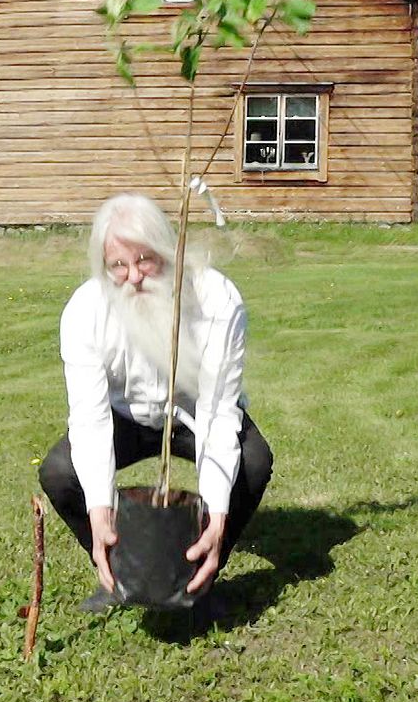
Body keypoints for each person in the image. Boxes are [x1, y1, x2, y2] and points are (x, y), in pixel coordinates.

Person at [39, 193, 273, 616]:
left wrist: (217, 514)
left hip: (194, 415)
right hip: (124, 416)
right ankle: (119, 574)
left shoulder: (218, 300)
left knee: (252, 462)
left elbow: (219, 411)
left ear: (168, 251)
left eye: (145, 259)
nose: (133, 277)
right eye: (118, 265)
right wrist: (99, 510)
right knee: (60, 471)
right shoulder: (84, 311)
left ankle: (200, 575)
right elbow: (90, 420)